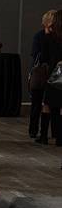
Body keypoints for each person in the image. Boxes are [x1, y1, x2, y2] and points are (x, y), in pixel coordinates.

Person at [29, 10, 56, 138]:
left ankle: (42, 132)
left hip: (51, 73)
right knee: (37, 102)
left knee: (47, 103)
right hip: (43, 73)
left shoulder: (54, 37)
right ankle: (34, 130)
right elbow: (37, 55)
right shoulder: (40, 36)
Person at [37, 9, 62, 145]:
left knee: (47, 104)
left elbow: (44, 56)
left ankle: (44, 135)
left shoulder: (51, 37)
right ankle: (60, 137)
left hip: (54, 73)